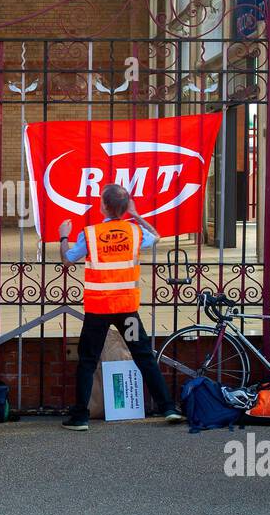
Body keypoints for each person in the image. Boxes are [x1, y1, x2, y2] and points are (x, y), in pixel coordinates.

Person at [57, 184, 183, 430]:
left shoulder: (90, 234)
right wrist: (135, 215)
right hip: (127, 310)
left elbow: (66, 259)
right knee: (144, 356)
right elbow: (156, 236)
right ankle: (167, 407)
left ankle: (80, 417)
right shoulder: (135, 232)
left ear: (103, 205)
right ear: (126, 208)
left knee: (88, 360)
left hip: (98, 310)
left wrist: (63, 235)